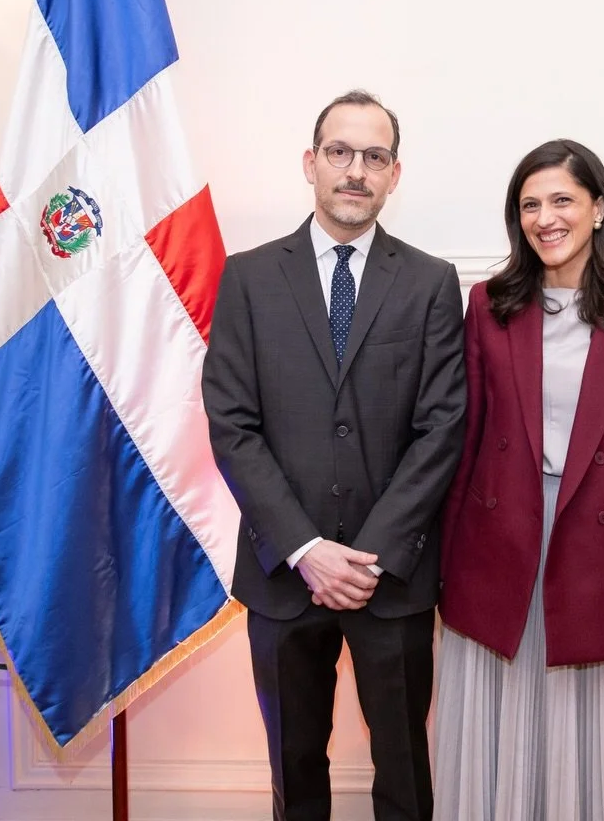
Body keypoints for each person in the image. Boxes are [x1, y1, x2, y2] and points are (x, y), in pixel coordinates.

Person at [203, 90, 466, 821]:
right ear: (311, 163)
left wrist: (371, 553)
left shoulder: (430, 282)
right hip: (286, 578)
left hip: (394, 581)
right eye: (341, 153)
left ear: (394, 174)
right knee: (294, 768)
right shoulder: (250, 277)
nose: (356, 171)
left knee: (405, 773)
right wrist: (306, 548)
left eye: (374, 157)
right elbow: (232, 422)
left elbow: (441, 426)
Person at [433, 139, 604, 821]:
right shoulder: (489, 304)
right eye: (529, 204)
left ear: (598, 209)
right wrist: (441, 574)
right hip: (496, 549)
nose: (544, 218)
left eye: (561, 200)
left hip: (598, 556)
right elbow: (461, 449)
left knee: (586, 745)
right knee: (498, 735)